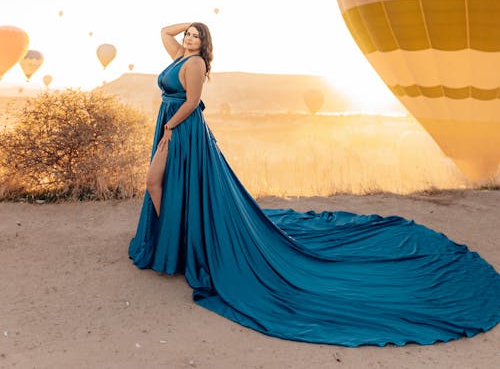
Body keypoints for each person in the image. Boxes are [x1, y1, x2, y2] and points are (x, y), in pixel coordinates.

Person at [129, 22, 500, 347]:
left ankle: (175, 245)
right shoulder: (178, 53)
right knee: (166, 186)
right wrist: (189, 24)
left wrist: (169, 128)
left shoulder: (193, 63)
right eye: (189, 35)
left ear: (204, 44)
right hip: (173, 125)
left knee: (155, 182)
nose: (190, 39)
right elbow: (164, 30)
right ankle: (174, 242)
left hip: (181, 128)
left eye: (197, 36)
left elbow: (193, 101)